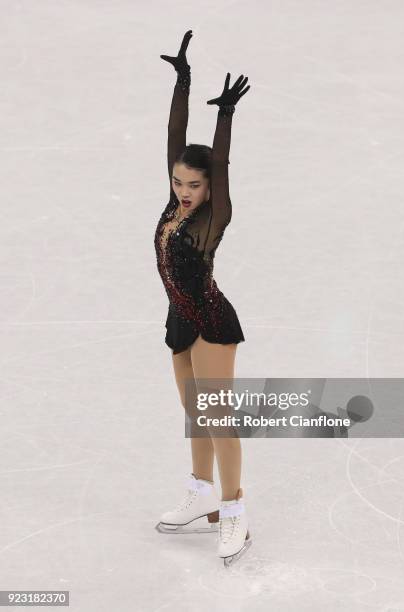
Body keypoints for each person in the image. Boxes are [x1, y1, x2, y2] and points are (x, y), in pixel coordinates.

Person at [153, 30, 252, 566]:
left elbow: (220, 163)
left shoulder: (213, 217)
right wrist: (183, 82)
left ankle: (235, 513)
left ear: (210, 187)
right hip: (178, 318)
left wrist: (226, 118)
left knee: (218, 417)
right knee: (195, 413)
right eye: (177, 182)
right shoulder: (174, 207)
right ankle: (202, 493)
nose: (183, 192)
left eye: (193, 184)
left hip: (211, 321)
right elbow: (173, 134)